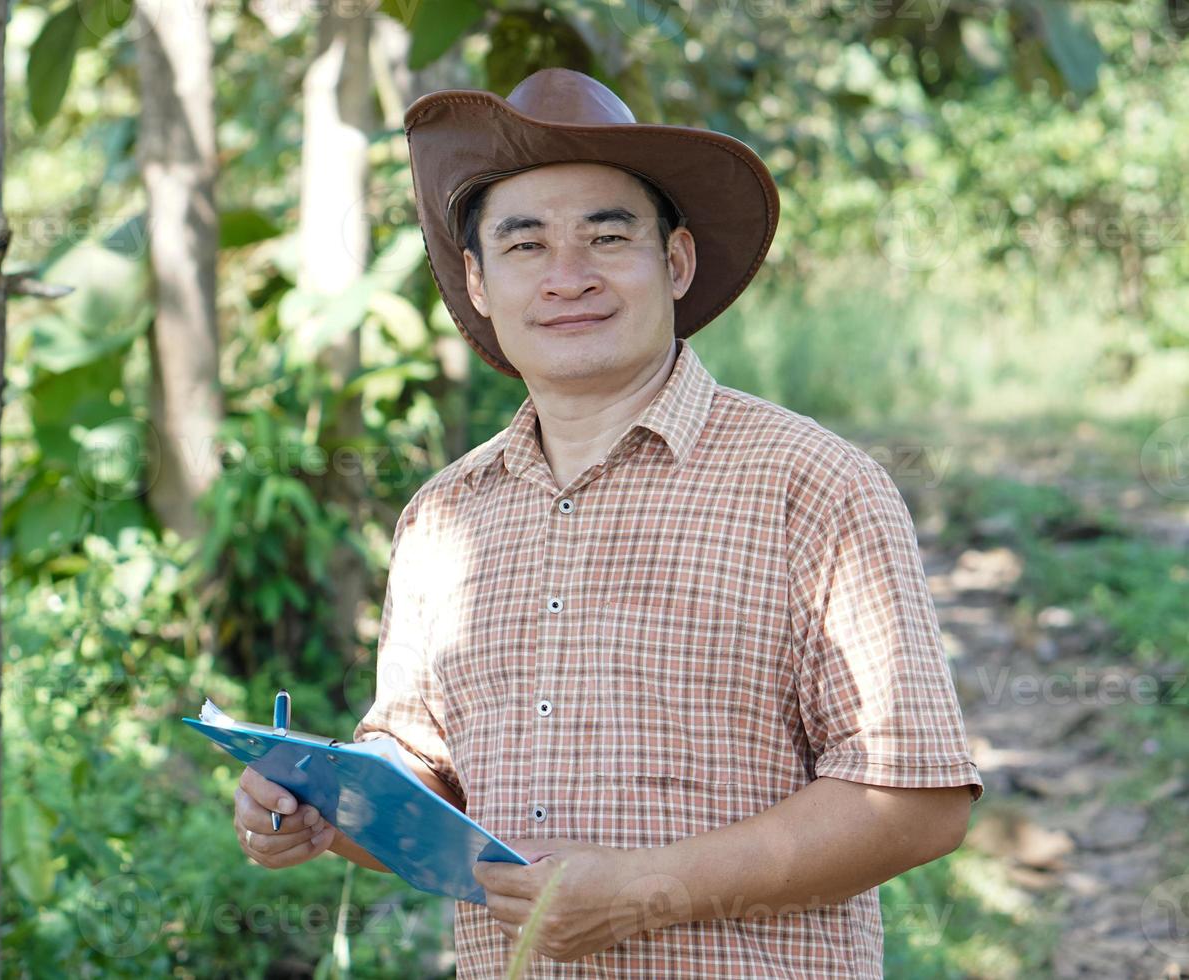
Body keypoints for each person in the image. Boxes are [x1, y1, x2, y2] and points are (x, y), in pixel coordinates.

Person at [233, 68, 982, 977]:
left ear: (674, 262)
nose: (568, 277)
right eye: (525, 245)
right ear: (475, 280)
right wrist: (323, 809)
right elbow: (429, 792)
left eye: (606, 235)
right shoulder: (442, 518)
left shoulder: (811, 485)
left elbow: (917, 802)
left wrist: (644, 889)